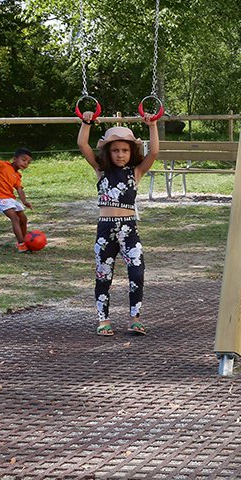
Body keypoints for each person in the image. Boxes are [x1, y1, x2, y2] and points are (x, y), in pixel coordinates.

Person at [78, 112, 159, 336]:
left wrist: (152, 125)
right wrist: (86, 122)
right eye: (115, 150)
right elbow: (82, 144)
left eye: (125, 150)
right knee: (103, 274)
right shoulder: (101, 170)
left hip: (129, 229)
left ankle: (135, 318)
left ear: (131, 152)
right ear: (108, 152)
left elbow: (154, 152)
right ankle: (103, 320)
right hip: (105, 229)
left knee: (137, 272)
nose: (120, 155)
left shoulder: (136, 172)